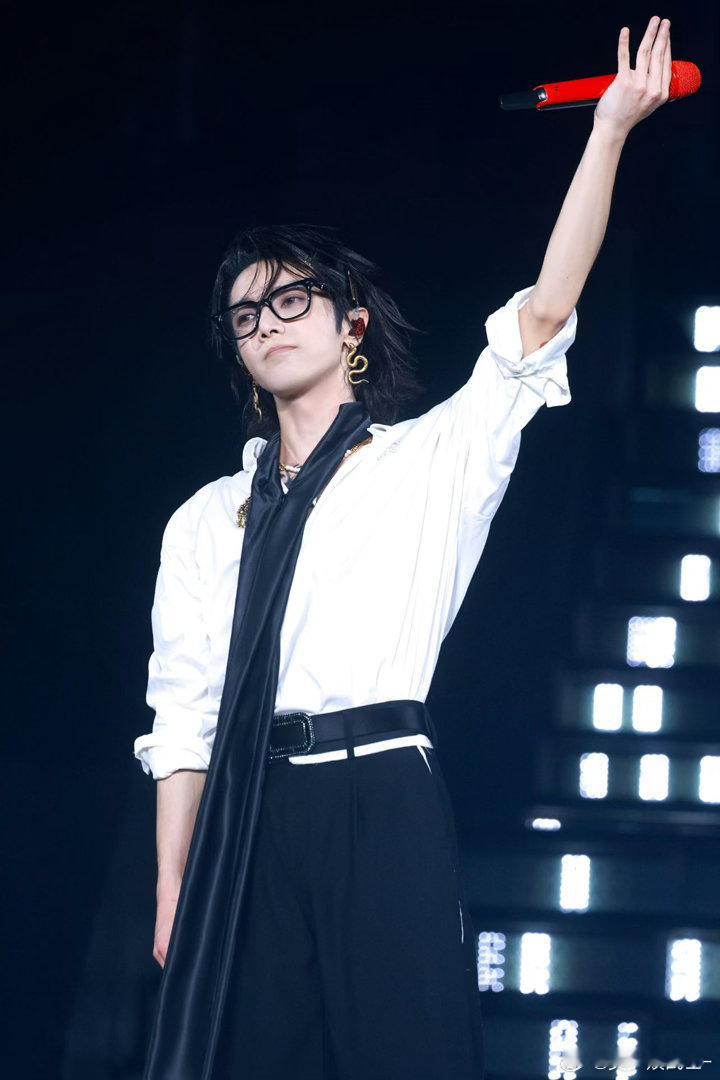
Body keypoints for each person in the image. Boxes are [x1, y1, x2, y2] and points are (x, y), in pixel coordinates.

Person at [133, 18, 674, 1079]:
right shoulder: (205, 518)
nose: (268, 322)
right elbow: (183, 713)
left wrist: (607, 133)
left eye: (292, 299)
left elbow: (542, 315)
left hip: (378, 788)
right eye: (246, 316)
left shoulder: (429, 460)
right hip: (247, 809)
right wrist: (172, 880)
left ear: (350, 326)